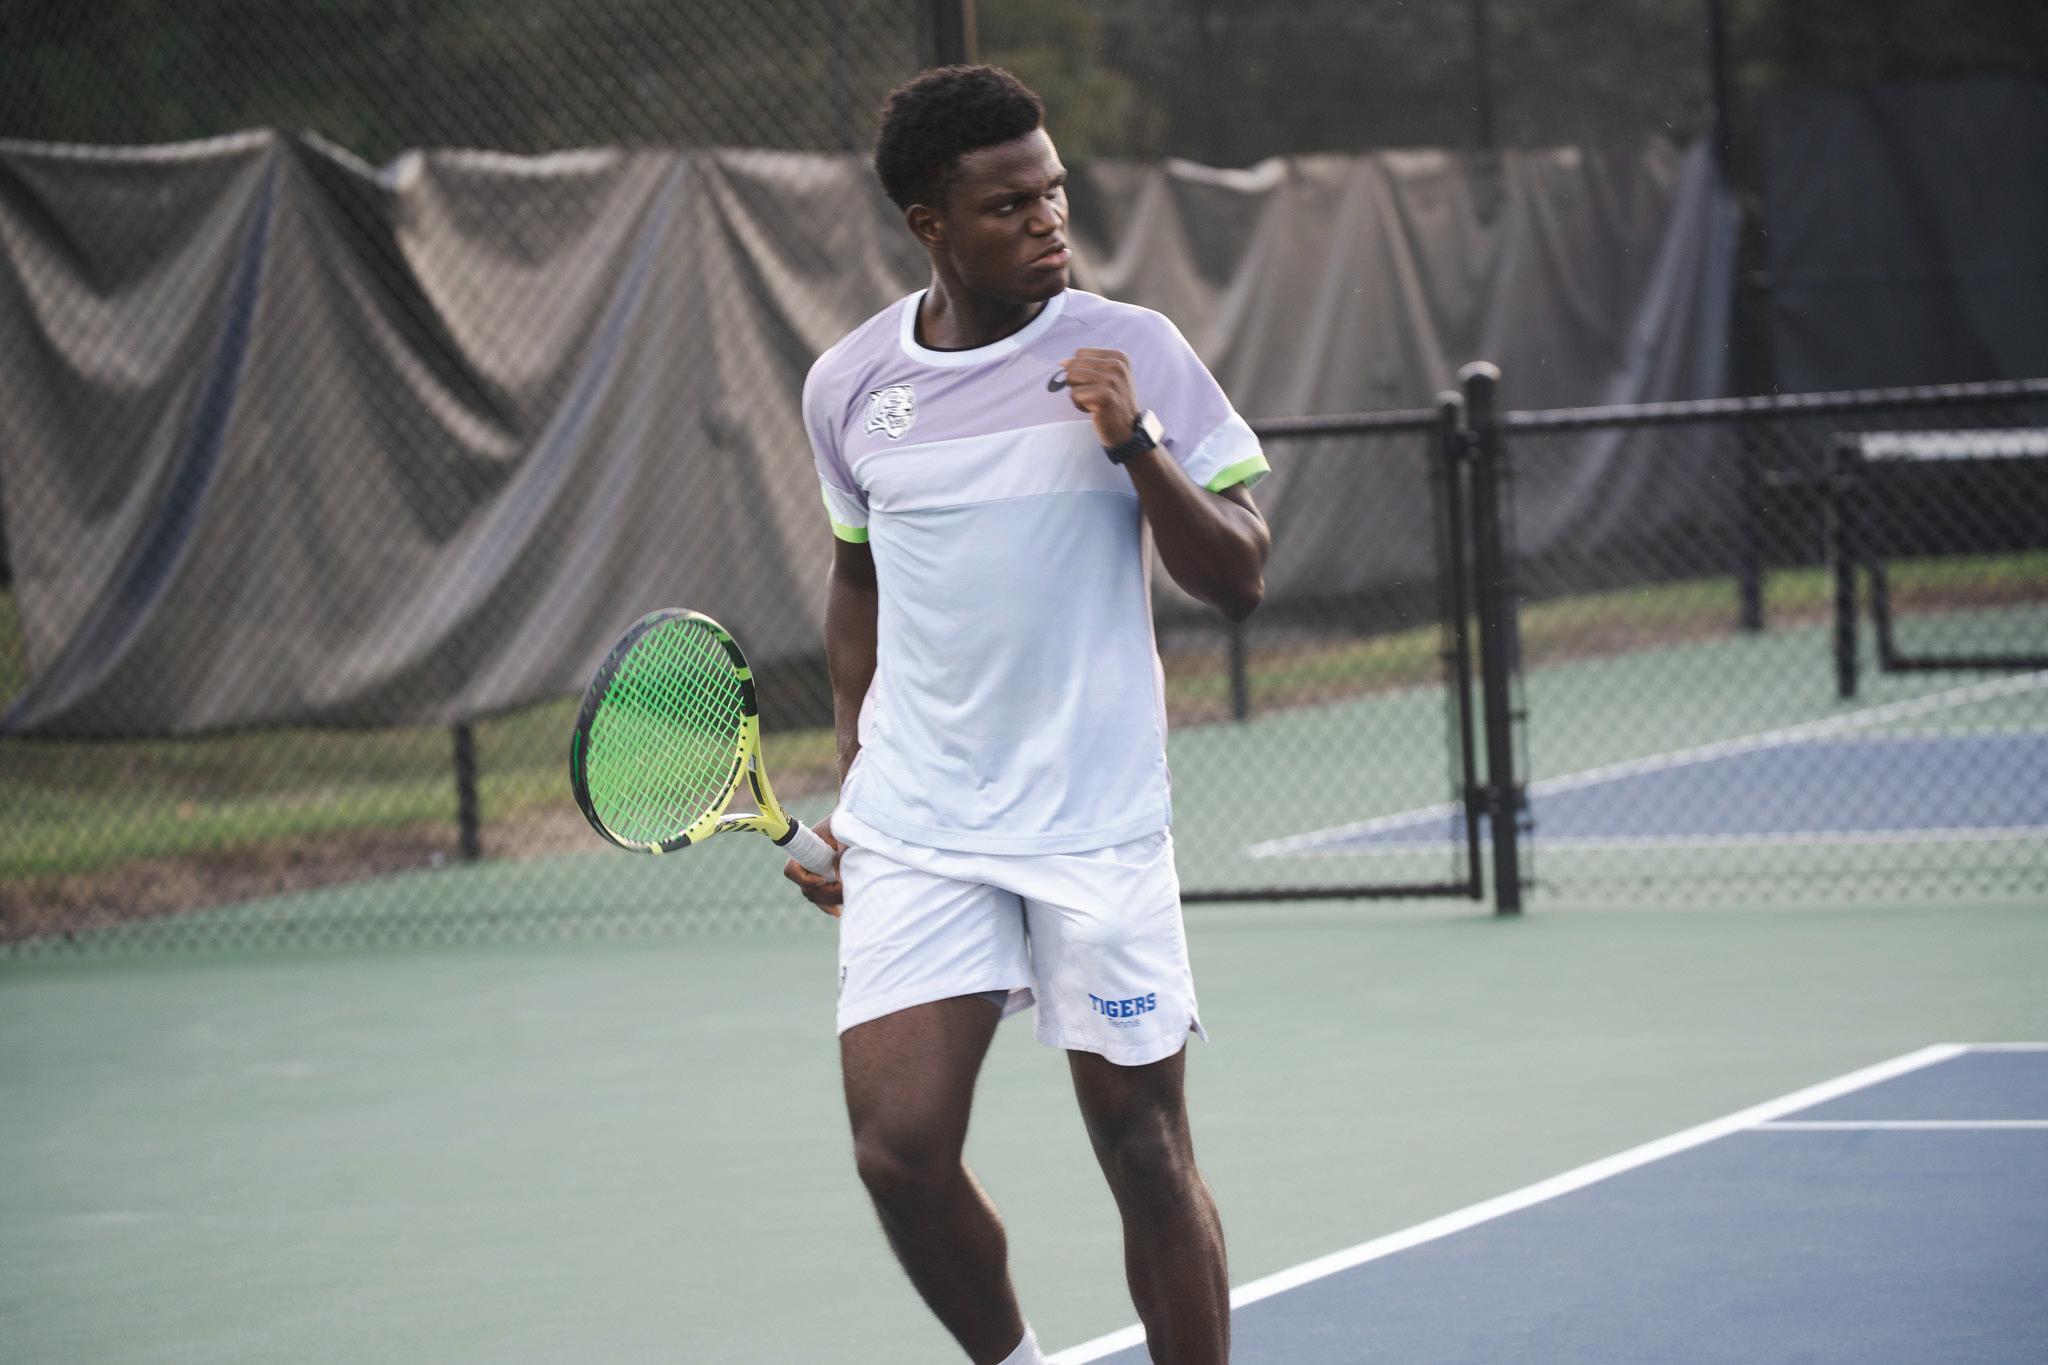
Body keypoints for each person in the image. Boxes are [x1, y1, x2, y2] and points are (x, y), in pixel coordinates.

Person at [784, 64, 1270, 1365]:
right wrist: (855, 777)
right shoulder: (849, 385)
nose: (1049, 219)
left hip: (1094, 820)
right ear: (929, 223)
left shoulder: (1134, 348)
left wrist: (1135, 443)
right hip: (920, 820)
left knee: (1144, 1148)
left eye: (1053, 192)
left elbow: (1238, 574)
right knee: (898, 1149)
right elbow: (856, 581)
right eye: (1010, 205)